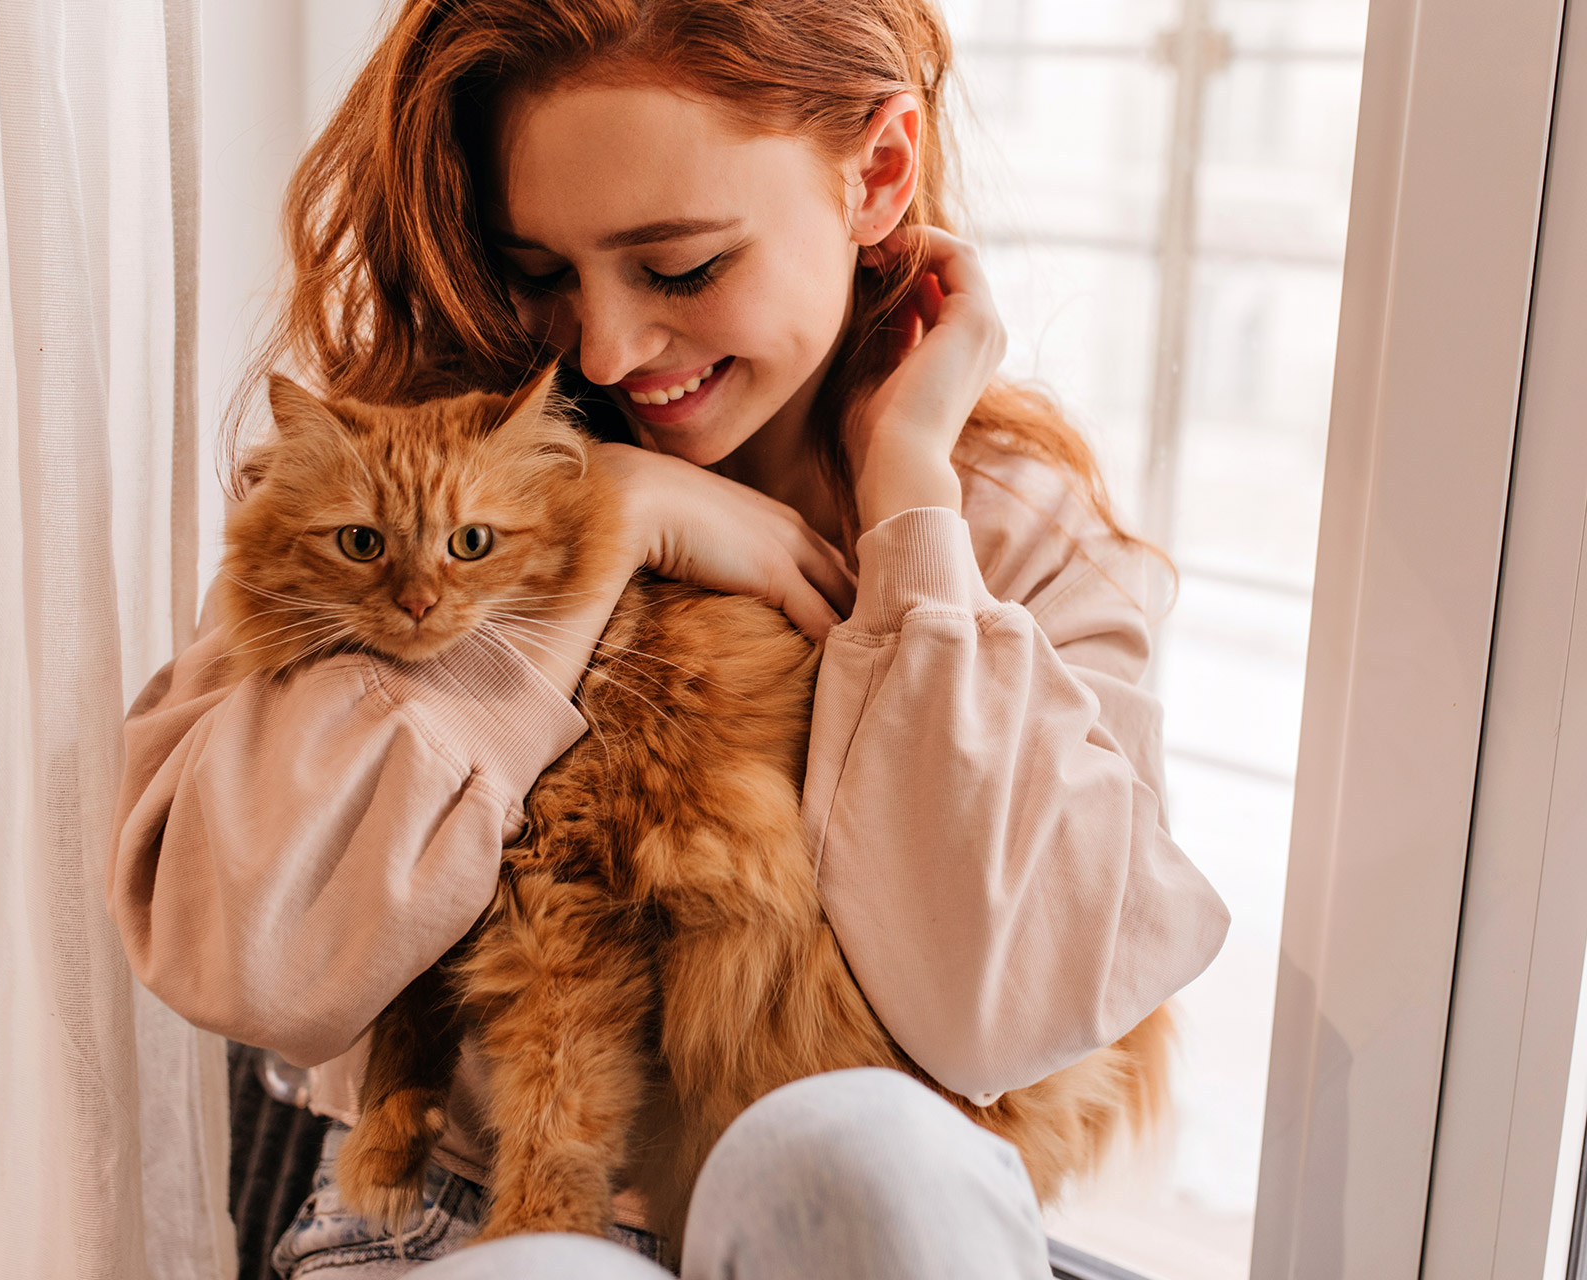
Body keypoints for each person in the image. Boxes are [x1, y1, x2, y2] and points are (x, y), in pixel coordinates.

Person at [106, 0, 1231, 1275]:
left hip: (846, 1233)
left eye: (682, 267)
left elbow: (1006, 1020)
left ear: (878, 172)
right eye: (541, 272)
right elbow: (239, 952)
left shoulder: (1022, 536)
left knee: (872, 1148)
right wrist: (605, 521)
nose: (604, 348)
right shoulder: (390, 468)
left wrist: (912, 506)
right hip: (456, 1219)